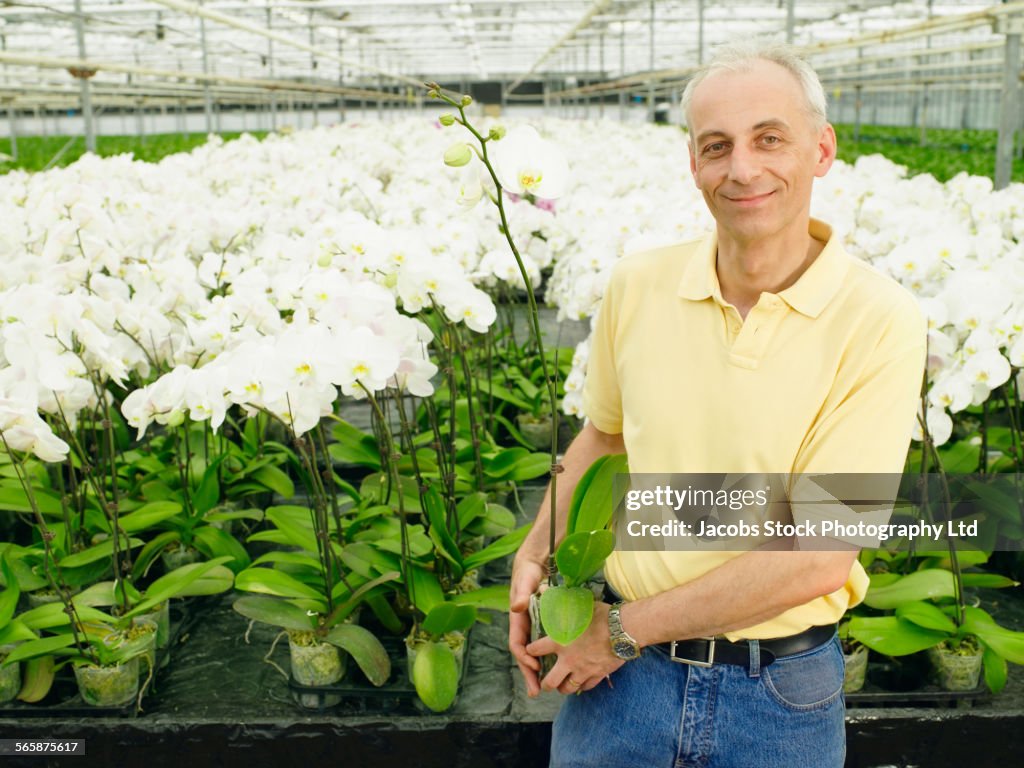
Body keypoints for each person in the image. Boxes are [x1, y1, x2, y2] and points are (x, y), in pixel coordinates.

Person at [508, 42, 927, 768]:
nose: (742, 168)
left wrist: (618, 632)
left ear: (822, 150)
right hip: (618, 691)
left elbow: (822, 552)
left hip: (776, 699)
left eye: (770, 139)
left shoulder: (880, 318)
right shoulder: (637, 286)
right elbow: (603, 440)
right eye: (717, 146)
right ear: (693, 163)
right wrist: (536, 545)